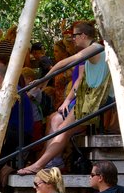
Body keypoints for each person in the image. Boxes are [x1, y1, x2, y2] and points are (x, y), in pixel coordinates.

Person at [18, 21, 112, 175]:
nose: (72, 39)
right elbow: (81, 81)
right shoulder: (93, 52)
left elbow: (63, 63)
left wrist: (44, 80)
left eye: (74, 36)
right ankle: (45, 162)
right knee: (58, 124)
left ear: (83, 36)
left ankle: (40, 164)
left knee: (62, 130)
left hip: (94, 100)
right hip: (88, 98)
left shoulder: (95, 48)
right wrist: (68, 100)